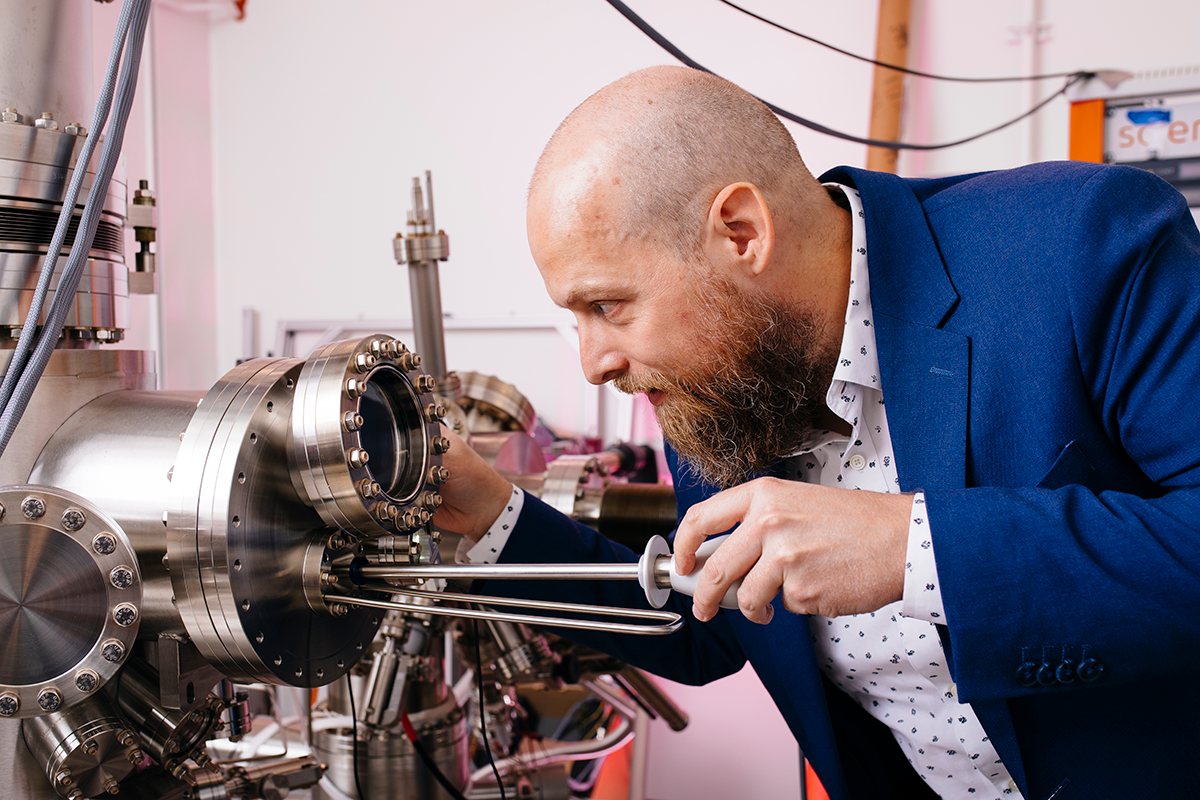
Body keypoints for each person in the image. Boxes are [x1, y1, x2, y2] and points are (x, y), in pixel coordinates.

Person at [434, 65, 1200, 800]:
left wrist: (915, 548)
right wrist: (491, 515)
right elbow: (707, 618)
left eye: (607, 306)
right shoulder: (720, 377)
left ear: (740, 233)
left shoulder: (1083, 244)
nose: (595, 362)